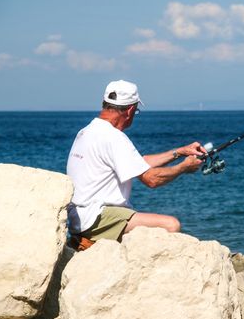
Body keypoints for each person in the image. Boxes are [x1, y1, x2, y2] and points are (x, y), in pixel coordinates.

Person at [66, 80, 206, 250]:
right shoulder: (113, 137)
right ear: (130, 110)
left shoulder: (87, 131)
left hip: (79, 217)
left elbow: (140, 163)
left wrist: (181, 152)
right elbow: (152, 180)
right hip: (96, 217)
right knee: (171, 225)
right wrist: (184, 167)